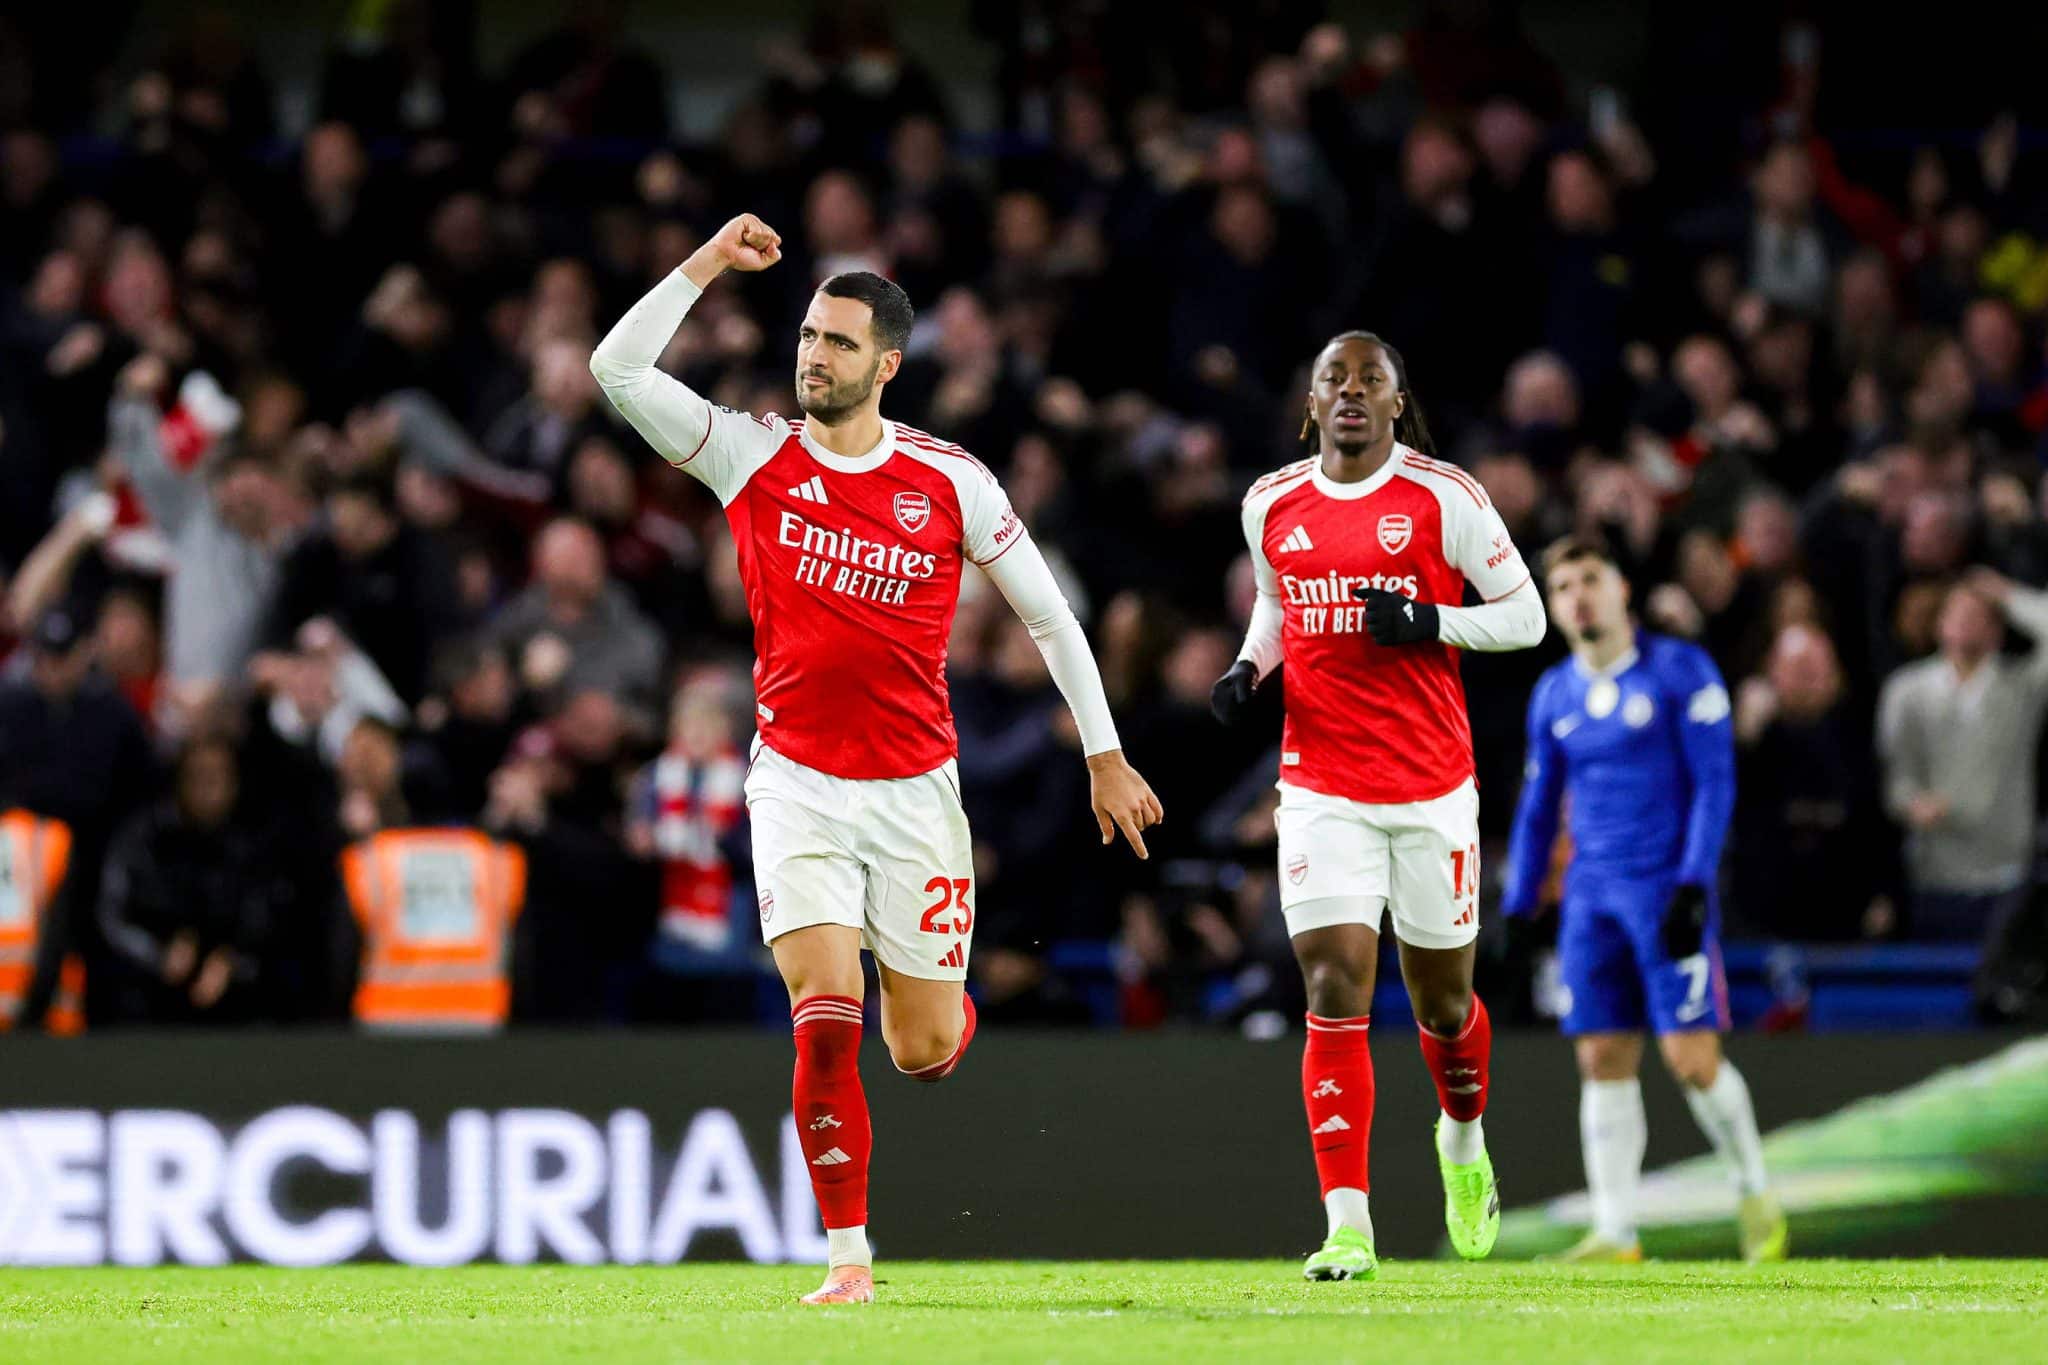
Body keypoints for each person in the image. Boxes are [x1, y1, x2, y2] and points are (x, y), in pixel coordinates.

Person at [591, 213, 1161, 1305]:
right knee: (821, 1010)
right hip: (795, 783)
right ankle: (847, 1259)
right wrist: (707, 263)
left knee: (920, 1049)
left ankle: (942, 1017)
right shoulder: (748, 454)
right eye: (807, 335)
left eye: (839, 343)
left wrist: (1103, 754)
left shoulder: (948, 482)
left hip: (914, 795)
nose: (813, 354)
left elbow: (1048, 619)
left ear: (886, 364)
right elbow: (614, 368)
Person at [1210, 331, 1546, 1281]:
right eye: (1334, 380)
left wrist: (1428, 620)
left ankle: (1464, 1142)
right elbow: (1279, 607)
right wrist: (1249, 666)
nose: (1351, 394)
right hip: (1320, 787)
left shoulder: (1445, 497)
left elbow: (1526, 618)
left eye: (1371, 382)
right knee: (1332, 987)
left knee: (1443, 1006)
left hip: (1432, 788)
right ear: (1311, 402)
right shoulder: (1269, 503)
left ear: (1398, 404)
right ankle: (1348, 1225)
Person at [1503, 537, 1786, 1263]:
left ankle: (1755, 1192)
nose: (1577, 595)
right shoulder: (1555, 693)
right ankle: (1617, 1231)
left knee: (1691, 1057)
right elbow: (1538, 809)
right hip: (1591, 899)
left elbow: (1715, 783)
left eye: (1589, 577)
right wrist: (1516, 904)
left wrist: (1695, 882)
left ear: (1623, 586)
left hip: (1665, 889)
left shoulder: (1680, 670)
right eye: (1562, 585)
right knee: (1600, 1053)